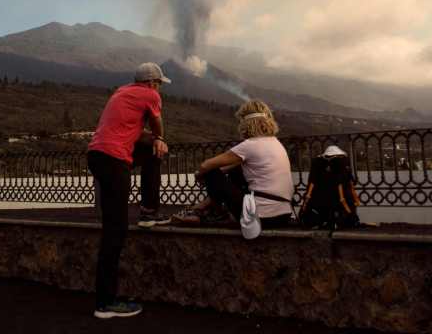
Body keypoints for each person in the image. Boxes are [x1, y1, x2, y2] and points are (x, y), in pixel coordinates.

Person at [86, 62, 172, 319]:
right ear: (151, 83)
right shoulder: (150, 95)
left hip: (98, 155)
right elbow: (158, 127)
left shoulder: (122, 92)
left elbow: (129, 129)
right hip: (113, 159)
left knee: (150, 153)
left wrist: (151, 141)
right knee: (116, 230)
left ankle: (148, 211)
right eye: (158, 83)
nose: (159, 88)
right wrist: (160, 139)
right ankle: (105, 303)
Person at [174, 99, 293, 229]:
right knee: (235, 169)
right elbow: (228, 168)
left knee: (211, 172)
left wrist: (199, 176)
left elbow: (206, 165)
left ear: (246, 124)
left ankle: (217, 213)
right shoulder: (275, 143)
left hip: (259, 217)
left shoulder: (251, 145)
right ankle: (205, 208)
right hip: (283, 216)